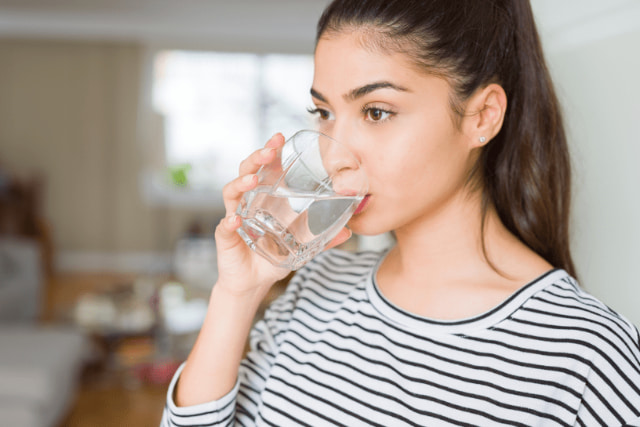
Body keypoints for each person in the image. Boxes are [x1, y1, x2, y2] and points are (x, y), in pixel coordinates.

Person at [161, 0, 640, 425]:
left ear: (482, 117)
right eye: (324, 113)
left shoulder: (586, 355)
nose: (335, 157)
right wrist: (237, 294)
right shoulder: (316, 281)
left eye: (376, 112)